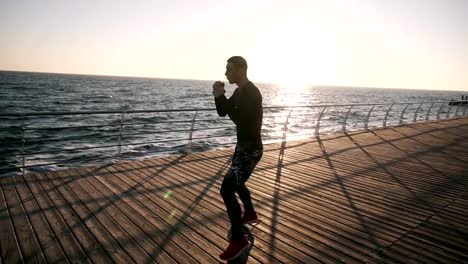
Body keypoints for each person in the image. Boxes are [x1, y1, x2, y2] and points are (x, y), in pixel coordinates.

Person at [212, 56, 263, 261]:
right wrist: (218, 96)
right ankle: (249, 212)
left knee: (227, 188)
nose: (226, 73)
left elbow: (241, 118)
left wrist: (221, 97)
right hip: (242, 148)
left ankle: (238, 239)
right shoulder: (239, 91)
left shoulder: (252, 92)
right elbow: (223, 113)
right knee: (236, 183)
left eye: (229, 69)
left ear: (241, 69)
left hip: (251, 149)